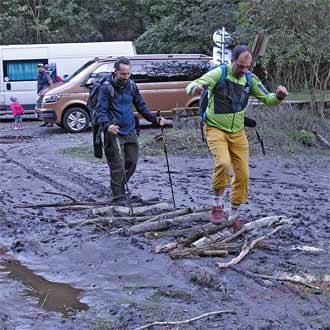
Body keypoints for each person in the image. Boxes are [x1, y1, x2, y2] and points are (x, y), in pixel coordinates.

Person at [186, 45, 288, 228]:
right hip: (215, 128)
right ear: (232, 61)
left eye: (246, 67)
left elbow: (268, 99)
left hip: (238, 133)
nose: (243, 70)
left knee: (243, 174)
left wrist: (279, 96)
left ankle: (234, 213)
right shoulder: (220, 73)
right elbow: (193, 84)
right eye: (240, 66)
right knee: (223, 163)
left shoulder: (250, 80)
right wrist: (196, 88)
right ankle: (217, 205)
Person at [96, 56, 164, 202]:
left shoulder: (131, 85)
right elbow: (100, 110)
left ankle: (119, 188)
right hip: (113, 132)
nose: (126, 77)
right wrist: (108, 125)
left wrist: (154, 120)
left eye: (128, 74)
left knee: (132, 162)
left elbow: (141, 105)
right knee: (117, 165)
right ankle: (118, 196)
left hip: (130, 129)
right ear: (116, 72)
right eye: (123, 74)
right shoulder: (106, 88)